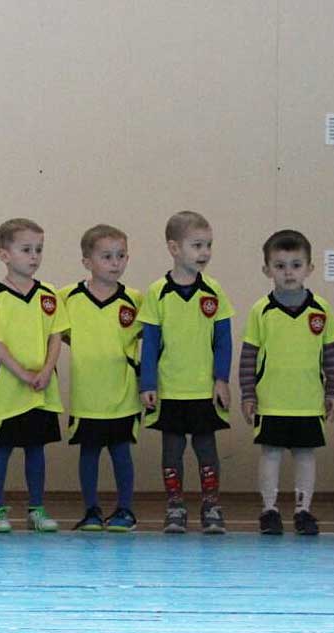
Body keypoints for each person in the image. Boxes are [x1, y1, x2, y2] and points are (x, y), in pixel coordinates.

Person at [239, 229, 334, 536]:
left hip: (308, 402)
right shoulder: (261, 310)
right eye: (280, 265)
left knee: (305, 456)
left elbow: (332, 354)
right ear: (267, 270)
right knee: (270, 454)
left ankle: (302, 510)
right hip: (271, 402)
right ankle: (269, 510)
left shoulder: (321, 309)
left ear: (309, 268)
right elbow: (248, 356)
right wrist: (248, 394)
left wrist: (333, 390)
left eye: (296, 265)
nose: (288, 272)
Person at [138, 210, 234, 535]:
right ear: (174, 248)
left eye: (208, 245)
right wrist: (148, 383)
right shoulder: (157, 292)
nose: (205, 252)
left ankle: (211, 506)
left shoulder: (214, 290)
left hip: (204, 390)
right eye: (197, 245)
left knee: (207, 451)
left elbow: (223, 340)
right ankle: (175, 506)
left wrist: (221, 379)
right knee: (172, 452)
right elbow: (150, 343)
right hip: (170, 390)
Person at [0, 218, 68, 533]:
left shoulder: (49, 294)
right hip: (8, 388)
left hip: (41, 387)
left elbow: (56, 336)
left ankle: (36, 509)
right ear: (4, 254)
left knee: (36, 448)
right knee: (2, 447)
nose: (34, 256)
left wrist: (46, 370)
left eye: (38, 249)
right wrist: (22, 373)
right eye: (26, 249)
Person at [59, 225, 142, 532]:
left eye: (121, 256)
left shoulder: (135, 299)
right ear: (87, 261)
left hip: (123, 393)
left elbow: (149, 338)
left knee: (121, 452)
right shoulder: (67, 297)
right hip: (86, 394)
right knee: (89, 453)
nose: (115, 263)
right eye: (107, 256)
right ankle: (91, 510)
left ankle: (125, 509)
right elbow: (56, 333)